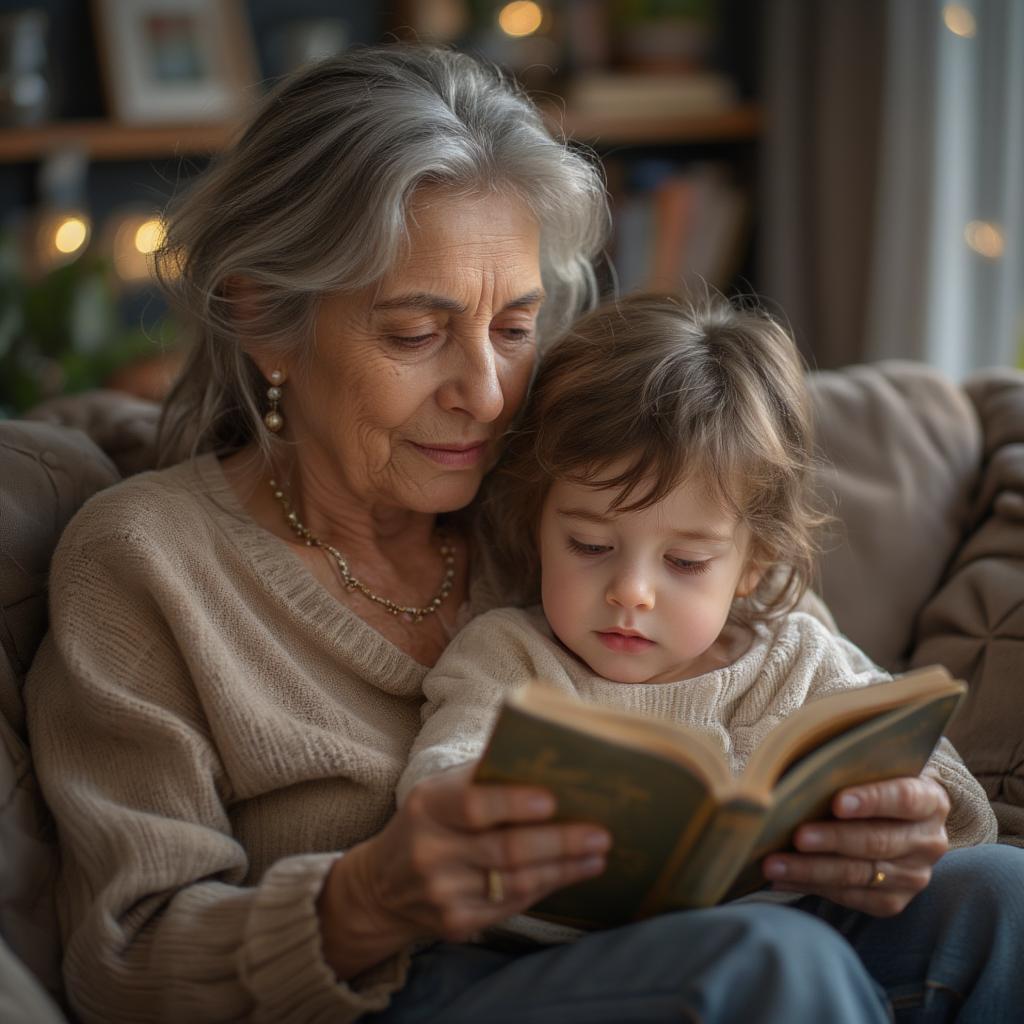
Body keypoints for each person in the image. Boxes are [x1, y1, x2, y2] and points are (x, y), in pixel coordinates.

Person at [20, 44, 1023, 1024]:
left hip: (723, 940)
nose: (488, 393)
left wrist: (900, 819)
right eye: (415, 334)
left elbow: (804, 662)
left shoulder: (576, 471)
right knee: (767, 961)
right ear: (264, 317)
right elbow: (125, 961)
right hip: (425, 990)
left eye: (514, 326)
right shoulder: (147, 560)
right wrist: (366, 901)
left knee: (1001, 900)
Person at [397, 293, 997, 949]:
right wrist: (467, 804)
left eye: (684, 561)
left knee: (1002, 889)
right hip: (563, 962)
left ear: (752, 564)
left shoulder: (792, 658)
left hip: (797, 931)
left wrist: (910, 810)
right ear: (538, 526)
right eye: (590, 547)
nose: (631, 592)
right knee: (773, 949)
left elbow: (956, 808)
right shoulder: (508, 657)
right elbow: (441, 777)